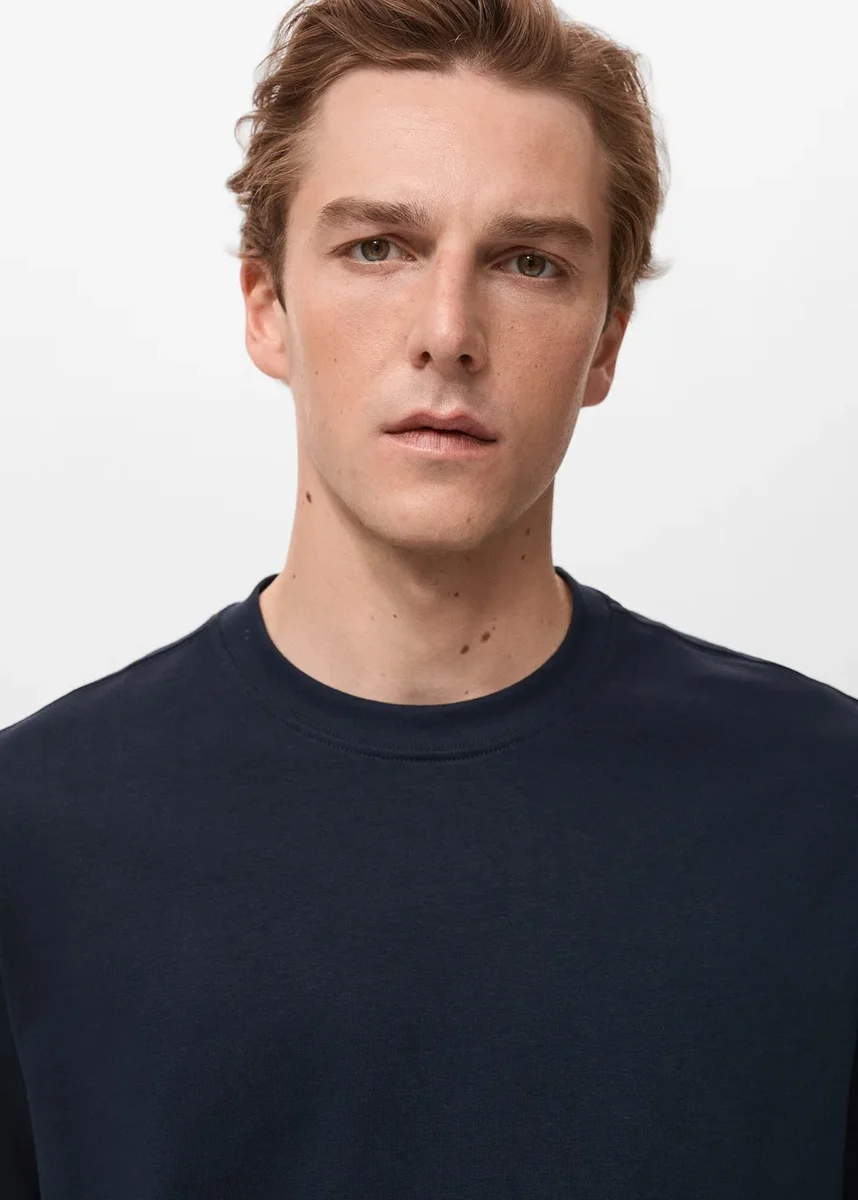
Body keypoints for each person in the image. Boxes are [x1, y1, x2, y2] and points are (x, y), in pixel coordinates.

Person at [2, 0, 857, 1194]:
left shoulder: (824, 806)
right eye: (378, 247)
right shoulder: (33, 835)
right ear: (266, 307)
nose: (448, 333)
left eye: (529, 262)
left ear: (607, 341)